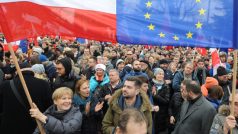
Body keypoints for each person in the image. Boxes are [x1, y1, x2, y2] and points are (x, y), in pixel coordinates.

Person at [0, 65, 52, 134]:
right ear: (32, 71)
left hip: (10, 128)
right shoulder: (44, 84)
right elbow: (49, 108)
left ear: (16, 72)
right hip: (35, 128)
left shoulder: (5, 85)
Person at [151, 68, 171, 134]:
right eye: (159, 74)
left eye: (162, 74)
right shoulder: (150, 84)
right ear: (155, 75)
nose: (161, 76)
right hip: (151, 111)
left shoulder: (166, 86)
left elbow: (166, 101)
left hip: (161, 113)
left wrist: (156, 95)